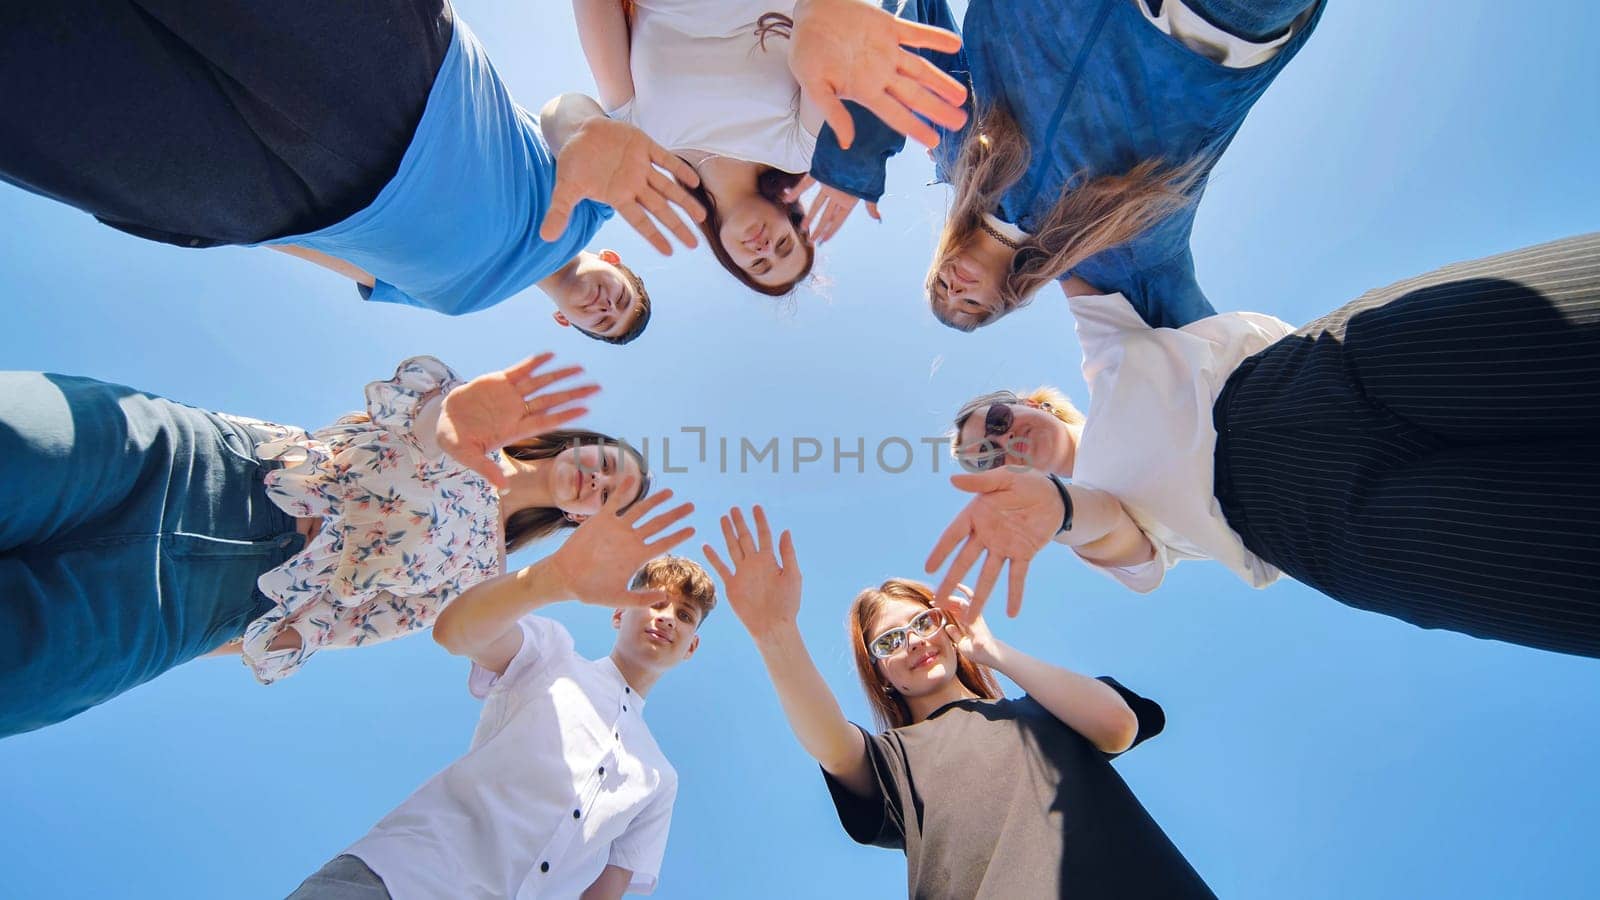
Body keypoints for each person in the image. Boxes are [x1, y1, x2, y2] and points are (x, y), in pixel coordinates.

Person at [929, 233, 1600, 659]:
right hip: (1323, 527)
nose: (1001, 443)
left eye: (993, 420)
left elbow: (1064, 242)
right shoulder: (1084, 518)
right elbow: (1124, 542)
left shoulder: (1109, 357)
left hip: (1332, 372)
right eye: (987, 463)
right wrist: (1062, 513)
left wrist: (981, 247)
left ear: (1025, 402)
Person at [0, 352, 649, 737]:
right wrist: (444, 417)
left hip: (196, 605)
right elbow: (416, 413)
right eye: (606, 461)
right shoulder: (482, 427)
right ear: (578, 443)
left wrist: (189, 640)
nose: (598, 478)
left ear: (579, 515)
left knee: (22, 671)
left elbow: (346, 627)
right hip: (201, 466)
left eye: (608, 493)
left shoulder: (487, 580)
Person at [0, 2, 709, 344]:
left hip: (266, 197)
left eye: (603, 326)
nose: (607, 310)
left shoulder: (457, 305)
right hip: (399, 84)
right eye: (624, 300)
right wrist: (588, 126)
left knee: (45, 99)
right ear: (616, 263)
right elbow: (562, 114)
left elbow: (358, 273)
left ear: (564, 322)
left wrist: (237, 230)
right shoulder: (594, 208)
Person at [702, 505, 1214, 898]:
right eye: (889, 642)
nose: (915, 642)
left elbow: (1117, 724)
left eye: (923, 623)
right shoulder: (895, 756)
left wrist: (991, 652)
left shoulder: (1045, 705)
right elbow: (833, 747)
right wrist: (775, 632)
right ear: (880, 676)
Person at [802, 0, 1323, 330]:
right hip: (1204, 25)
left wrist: (855, 156)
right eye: (971, 305)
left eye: (940, 288)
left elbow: (908, 39)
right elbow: (1199, 348)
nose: (956, 290)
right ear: (1005, 301)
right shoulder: (1109, 261)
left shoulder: (955, 149)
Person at [288, 494, 705, 900]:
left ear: (691, 647)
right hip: (400, 878)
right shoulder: (553, 654)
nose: (666, 617)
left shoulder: (660, 779)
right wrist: (552, 578)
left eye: (684, 615)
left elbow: (604, 893)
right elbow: (455, 632)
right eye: (654, 602)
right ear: (618, 613)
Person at [570, 0, 968, 296]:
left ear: (730, 259)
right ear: (792, 219)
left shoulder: (644, 150)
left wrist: (567, 130)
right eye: (783, 244)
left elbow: (595, 12)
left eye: (759, 262)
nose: (764, 247)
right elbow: (830, 43)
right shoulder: (799, 151)